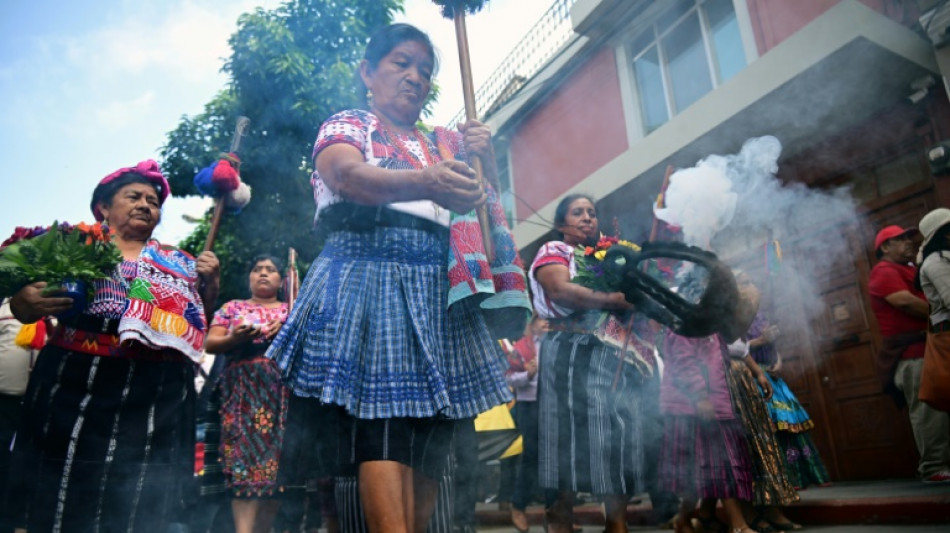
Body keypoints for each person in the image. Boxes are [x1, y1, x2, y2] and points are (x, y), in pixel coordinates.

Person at [266, 23, 530, 533]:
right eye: (401, 64)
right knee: (383, 425)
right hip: (369, 274)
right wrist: (425, 180)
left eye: (425, 71)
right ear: (368, 72)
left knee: (433, 434)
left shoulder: (446, 142)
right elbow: (345, 176)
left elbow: (486, 210)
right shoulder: (350, 124)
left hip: (439, 287)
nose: (415, 78)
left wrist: (486, 161)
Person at [3, 159, 220, 532]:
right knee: (63, 488)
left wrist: (211, 284)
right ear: (103, 206)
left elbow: (197, 325)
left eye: (153, 201)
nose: (145, 205)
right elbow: (18, 296)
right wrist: (22, 302)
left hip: (156, 396)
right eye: (133, 196)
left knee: (139, 497)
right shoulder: (71, 244)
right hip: (76, 387)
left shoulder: (179, 262)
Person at [529, 194, 656, 533]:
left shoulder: (609, 257)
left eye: (592, 212)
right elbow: (560, 290)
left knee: (616, 428)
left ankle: (616, 521)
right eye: (578, 212)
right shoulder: (554, 252)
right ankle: (560, 515)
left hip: (612, 351)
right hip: (569, 349)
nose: (587, 218)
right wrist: (614, 299)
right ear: (560, 224)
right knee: (566, 432)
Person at [204, 255, 291, 533]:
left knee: (277, 468)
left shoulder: (292, 311)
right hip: (241, 396)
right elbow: (211, 343)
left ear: (281, 280)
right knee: (241, 461)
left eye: (271, 270)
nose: (263, 274)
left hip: (281, 397)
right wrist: (234, 339)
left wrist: (286, 334)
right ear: (249, 278)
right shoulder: (232, 308)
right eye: (257, 270)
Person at [867, 224, 950, 483]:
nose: (909, 242)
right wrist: (939, 310)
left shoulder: (912, 267)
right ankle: (933, 467)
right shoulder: (883, 270)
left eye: (909, 238)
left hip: (931, 348)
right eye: (900, 239)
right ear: (885, 247)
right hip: (912, 354)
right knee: (928, 410)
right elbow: (904, 301)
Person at [659, 329, 756, 533]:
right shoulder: (683, 325)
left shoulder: (713, 327)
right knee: (719, 467)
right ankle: (738, 526)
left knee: (707, 471)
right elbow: (684, 362)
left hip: (718, 406)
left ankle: (685, 519)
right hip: (692, 408)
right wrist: (701, 396)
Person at [745, 309, 831, 492]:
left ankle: (802, 476)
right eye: (743, 282)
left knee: (790, 424)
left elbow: (773, 347)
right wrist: (760, 341)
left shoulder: (761, 316)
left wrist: (778, 363)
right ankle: (782, 480)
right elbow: (735, 347)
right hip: (753, 376)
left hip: (772, 375)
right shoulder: (735, 317)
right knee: (770, 426)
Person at [503, 314, 548, 532]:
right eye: (540, 320)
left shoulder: (555, 343)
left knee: (555, 458)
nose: (545, 324)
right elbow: (508, 377)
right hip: (529, 406)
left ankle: (557, 513)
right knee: (531, 457)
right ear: (531, 324)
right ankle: (518, 505)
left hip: (553, 405)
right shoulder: (520, 347)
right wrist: (527, 375)